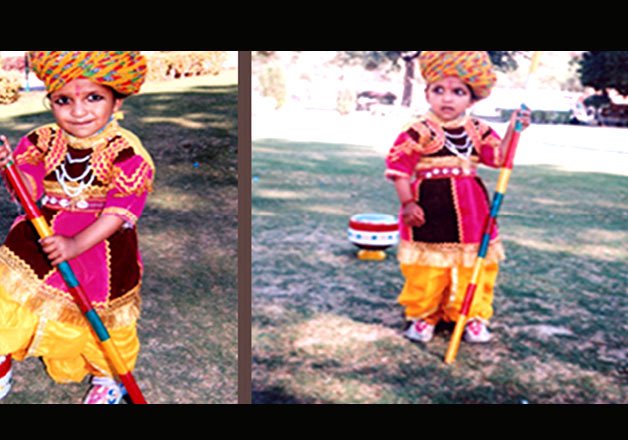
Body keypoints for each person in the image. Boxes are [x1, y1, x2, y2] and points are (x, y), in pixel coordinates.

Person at [0, 51, 153, 404]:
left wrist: (74, 245)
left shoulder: (127, 153)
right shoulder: (42, 141)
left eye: (93, 97)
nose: (78, 111)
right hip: (39, 238)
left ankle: (106, 378)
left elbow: (120, 212)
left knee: (99, 321)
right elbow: (30, 188)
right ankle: (2, 363)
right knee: (10, 299)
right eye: (63, 100)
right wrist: (10, 167)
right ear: (51, 101)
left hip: (99, 249)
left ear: (116, 101)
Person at [385, 51, 531, 344]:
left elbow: (499, 158)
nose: (447, 99)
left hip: (472, 207)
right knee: (428, 267)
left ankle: (471, 315)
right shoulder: (417, 131)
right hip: (429, 206)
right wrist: (408, 203)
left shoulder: (478, 130)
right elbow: (399, 170)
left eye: (458, 92)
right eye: (438, 90)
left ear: (472, 99)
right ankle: (424, 314)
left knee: (473, 262)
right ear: (427, 93)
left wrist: (515, 130)